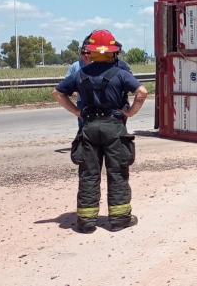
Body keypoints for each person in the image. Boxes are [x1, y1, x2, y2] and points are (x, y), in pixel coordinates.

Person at [53, 29, 148, 233]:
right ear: (114, 52)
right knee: (117, 172)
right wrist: (130, 112)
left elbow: (58, 92)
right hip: (114, 127)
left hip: (89, 127)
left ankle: (86, 222)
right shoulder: (121, 73)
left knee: (88, 174)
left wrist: (77, 112)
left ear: (92, 52)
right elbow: (142, 91)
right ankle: (119, 219)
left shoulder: (80, 73)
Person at [66, 32, 133, 134]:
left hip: (115, 110)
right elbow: (141, 92)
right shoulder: (83, 68)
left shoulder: (122, 67)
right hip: (91, 110)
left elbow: (57, 92)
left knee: (116, 135)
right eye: (84, 52)